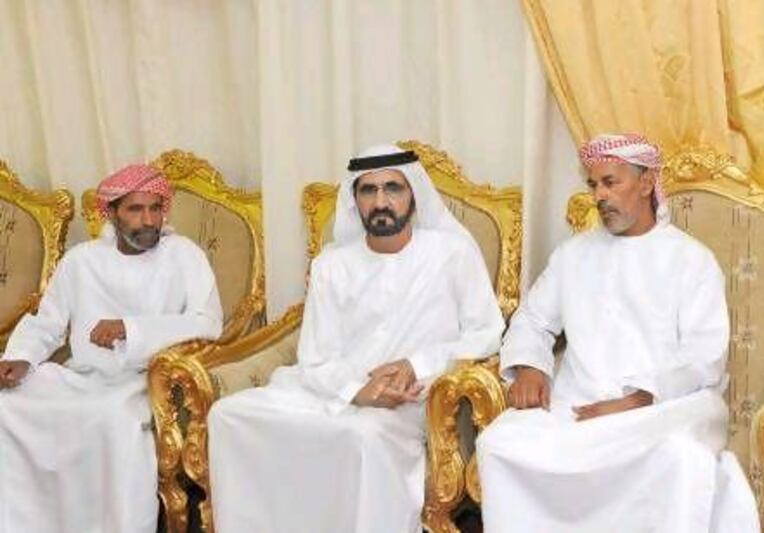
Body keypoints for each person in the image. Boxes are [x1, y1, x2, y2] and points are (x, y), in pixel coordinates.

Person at [208, 143, 505, 533]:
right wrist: (355, 391)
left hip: (412, 400)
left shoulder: (452, 254)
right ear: (356, 200)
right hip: (331, 392)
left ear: (413, 196)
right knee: (228, 415)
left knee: (361, 434)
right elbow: (313, 357)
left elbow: (487, 332)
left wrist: (416, 364)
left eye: (393, 189)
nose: (381, 201)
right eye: (368, 190)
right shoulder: (332, 264)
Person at [476, 133, 760, 533]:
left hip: (667, 406)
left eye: (611, 182)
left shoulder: (691, 260)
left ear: (646, 183)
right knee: (498, 444)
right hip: (579, 402)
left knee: (680, 458)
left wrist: (637, 399)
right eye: (594, 185)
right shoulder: (573, 255)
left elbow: (704, 357)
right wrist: (529, 367)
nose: (600, 196)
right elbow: (532, 320)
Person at [0, 163, 223, 533]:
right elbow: (49, 322)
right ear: (113, 213)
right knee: (8, 404)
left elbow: (208, 323)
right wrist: (20, 357)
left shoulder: (183, 255)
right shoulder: (82, 260)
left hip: (144, 381)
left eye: (155, 208)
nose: (148, 219)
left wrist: (130, 330)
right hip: (83, 375)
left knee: (111, 420)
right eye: (135, 210)